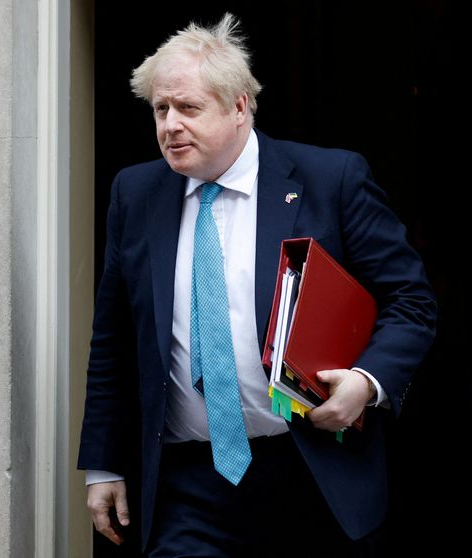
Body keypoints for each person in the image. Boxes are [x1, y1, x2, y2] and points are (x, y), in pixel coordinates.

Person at [78, 13, 437, 557]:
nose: (170, 124)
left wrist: (366, 381)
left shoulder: (328, 179)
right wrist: (102, 463)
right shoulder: (137, 192)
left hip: (311, 470)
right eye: (160, 109)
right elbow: (113, 338)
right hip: (186, 482)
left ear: (241, 106)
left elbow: (411, 301)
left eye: (188, 108)